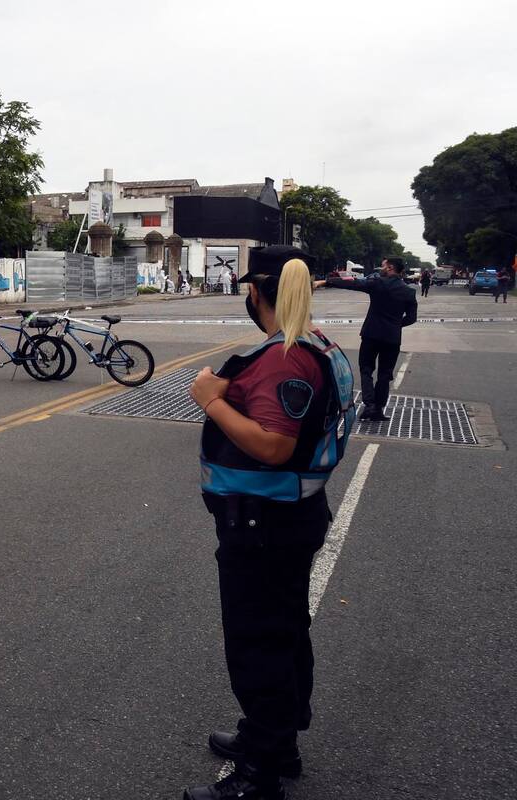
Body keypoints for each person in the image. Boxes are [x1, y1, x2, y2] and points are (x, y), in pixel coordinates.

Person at [184, 245, 355, 800]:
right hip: (283, 519)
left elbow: (274, 446)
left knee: (259, 643)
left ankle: (260, 776)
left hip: (264, 526)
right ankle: (273, 740)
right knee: (282, 632)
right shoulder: (316, 343)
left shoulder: (286, 356)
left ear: (257, 292)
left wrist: (211, 400)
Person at [316, 256, 417, 421]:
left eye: (383, 266)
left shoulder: (378, 283)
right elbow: (412, 318)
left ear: (390, 268)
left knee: (366, 370)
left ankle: (369, 404)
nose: (381, 268)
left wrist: (327, 281)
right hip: (392, 338)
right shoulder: (408, 291)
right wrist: (395, 325)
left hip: (371, 335)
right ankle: (378, 409)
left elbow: (353, 284)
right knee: (385, 374)